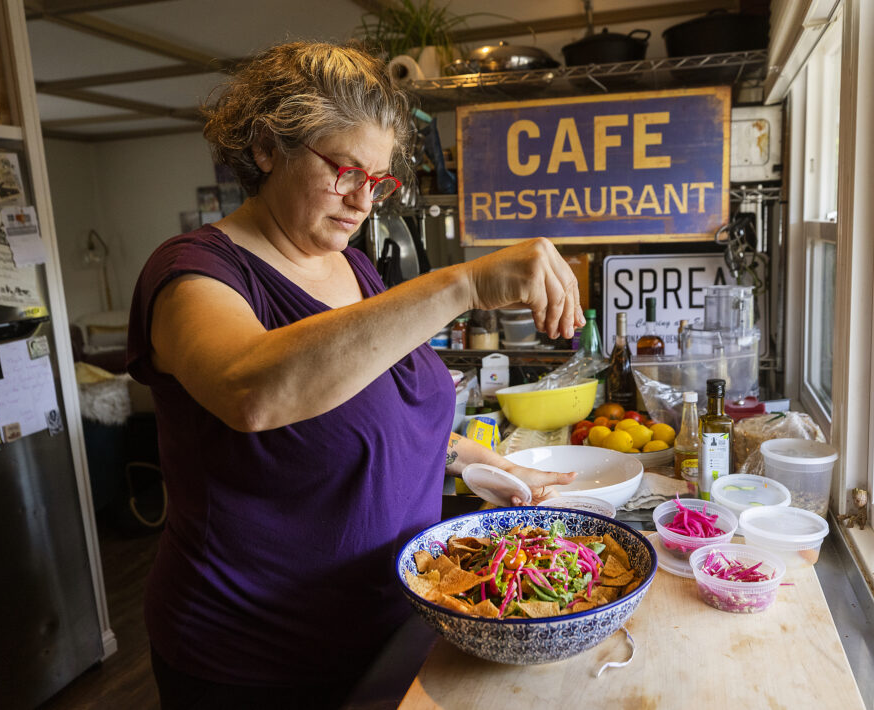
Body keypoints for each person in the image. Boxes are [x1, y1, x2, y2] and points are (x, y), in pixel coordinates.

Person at [126, 41, 584, 709]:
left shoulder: (358, 269)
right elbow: (250, 390)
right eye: (344, 169)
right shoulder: (194, 272)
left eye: (378, 180)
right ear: (265, 147)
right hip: (255, 663)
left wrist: (490, 464)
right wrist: (463, 283)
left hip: (392, 625)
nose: (362, 200)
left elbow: (380, 413)